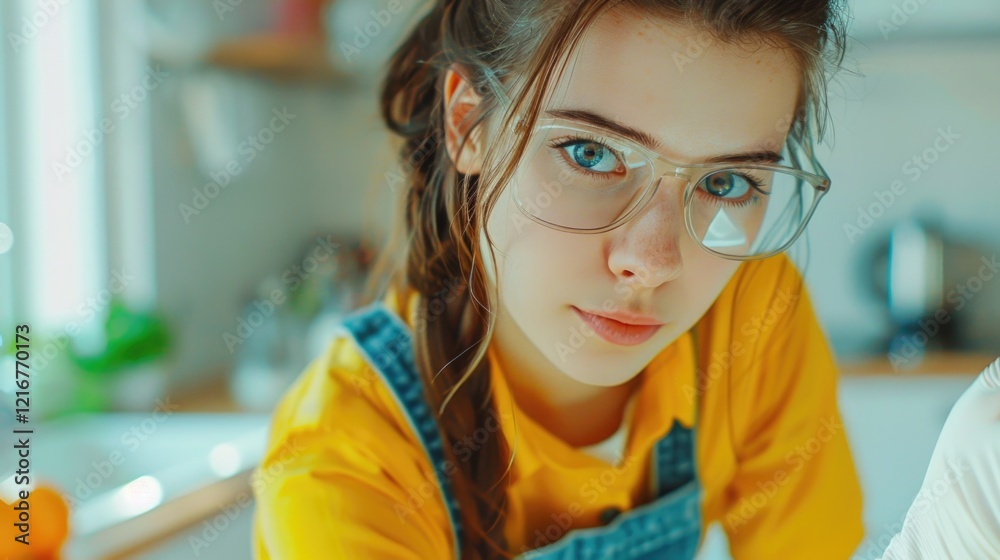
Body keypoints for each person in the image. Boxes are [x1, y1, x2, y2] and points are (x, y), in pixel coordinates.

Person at [249, 1, 952, 558]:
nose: (651, 261)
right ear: (468, 125)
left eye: (727, 180)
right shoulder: (348, 458)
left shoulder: (751, 319)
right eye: (590, 154)